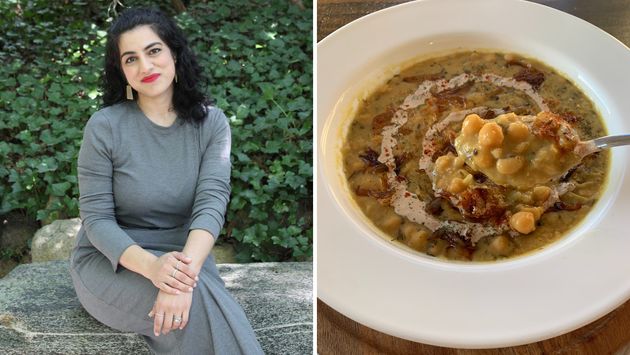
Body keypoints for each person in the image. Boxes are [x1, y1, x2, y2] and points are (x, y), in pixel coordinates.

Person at [69, 7, 263, 354]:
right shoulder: (105, 127)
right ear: (121, 70)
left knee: (199, 302)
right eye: (131, 59)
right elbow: (96, 219)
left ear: (174, 52)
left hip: (184, 257)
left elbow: (211, 203)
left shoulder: (212, 124)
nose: (145, 66)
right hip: (114, 260)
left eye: (154, 50)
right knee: (198, 312)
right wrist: (154, 268)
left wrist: (178, 279)